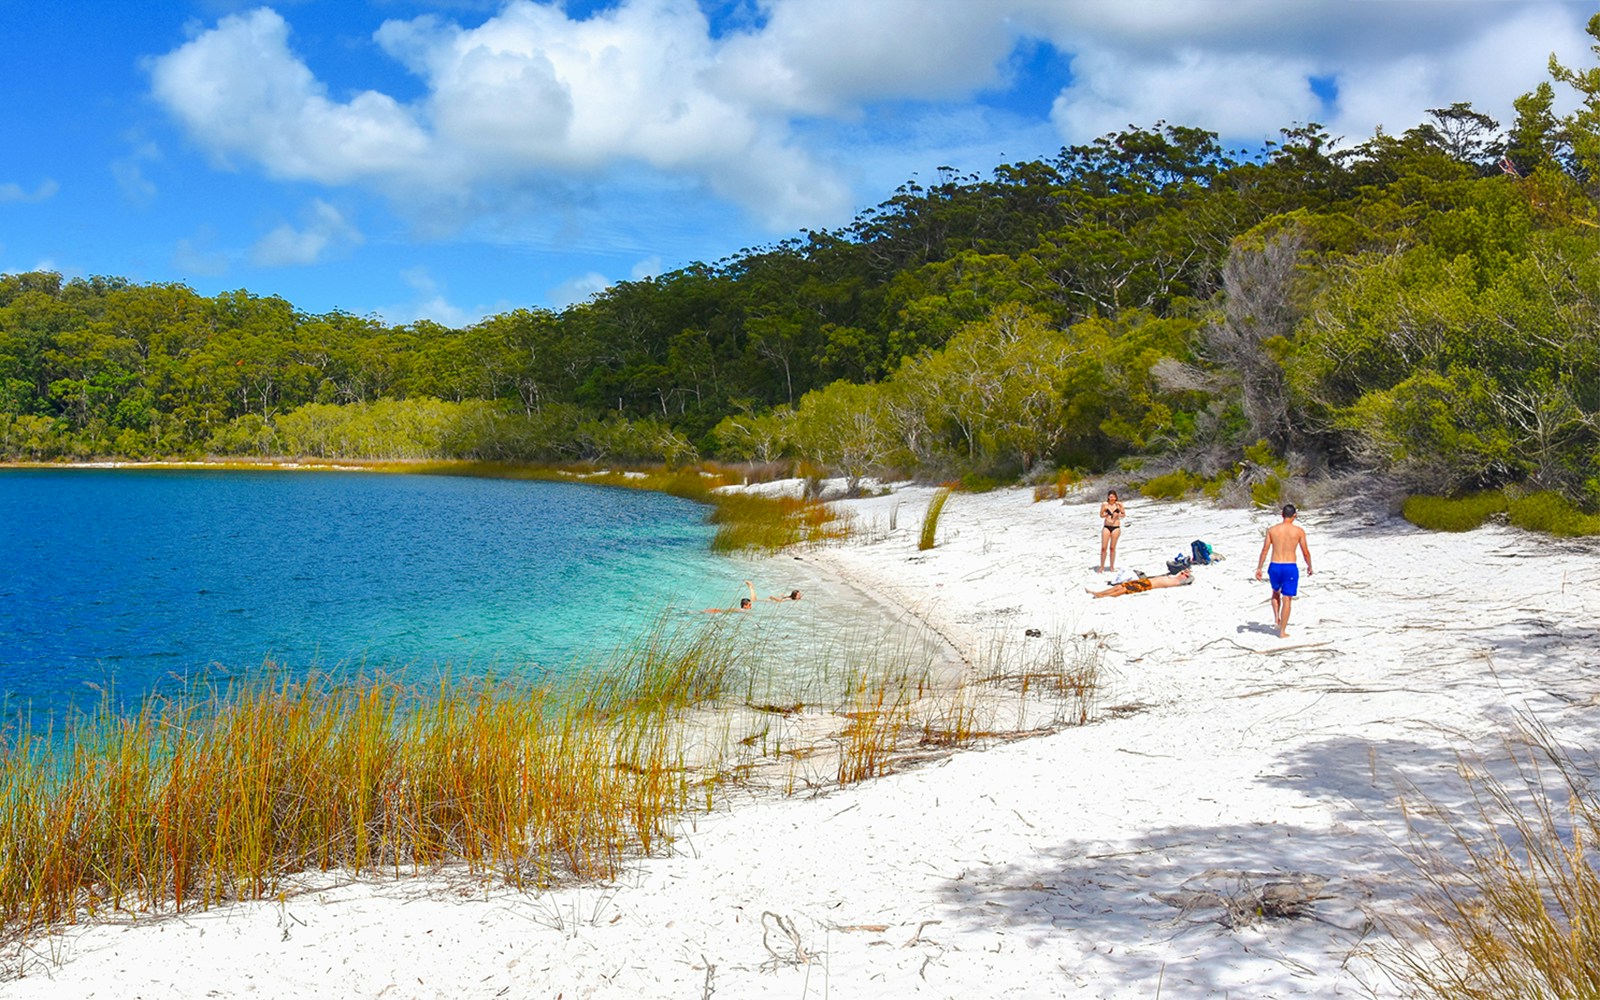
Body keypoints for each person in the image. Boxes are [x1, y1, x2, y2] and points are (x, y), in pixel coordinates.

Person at [1255, 503, 1313, 638]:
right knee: (1287, 598)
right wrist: (1309, 566)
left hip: (1274, 565)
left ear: (1282, 515)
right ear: (1294, 516)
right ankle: (1282, 631)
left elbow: (1265, 550)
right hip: (1290, 566)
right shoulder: (1298, 531)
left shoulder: (1272, 530)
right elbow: (1305, 552)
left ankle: (1277, 619)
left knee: (1275, 592)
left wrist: (1259, 567)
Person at [1087, 568, 1192, 598]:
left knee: (1124, 589)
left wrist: (1187, 576)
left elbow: (1189, 580)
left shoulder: (1176, 582)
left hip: (1148, 585)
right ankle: (1100, 593)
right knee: (1120, 586)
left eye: (1185, 573)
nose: (1183, 573)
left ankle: (1105, 596)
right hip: (1146, 581)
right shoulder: (1173, 577)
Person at [1098, 490, 1126, 573]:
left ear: (1116, 497)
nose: (1112, 498)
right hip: (1107, 526)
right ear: (1108, 497)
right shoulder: (1104, 504)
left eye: (1113, 496)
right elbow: (1101, 515)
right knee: (1103, 548)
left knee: (1112, 548)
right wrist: (1105, 515)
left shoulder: (1119, 504)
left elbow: (1123, 514)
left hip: (1116, 527)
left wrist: (1118, 515)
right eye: (1110, 496)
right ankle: (1102, 567)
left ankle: (1112, 567)